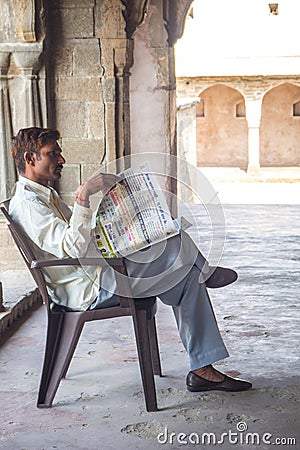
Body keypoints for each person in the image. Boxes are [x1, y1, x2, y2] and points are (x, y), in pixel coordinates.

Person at [9, 127, 252, 392]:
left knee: (183, 269)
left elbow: (79, 240)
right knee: (173, 240)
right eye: (52, 153)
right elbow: (71, 248)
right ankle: (205, 278)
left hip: (97, 271)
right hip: (90, 288)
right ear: (30, 159)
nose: (61, 159)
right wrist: (83, 196)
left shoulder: (44, 195)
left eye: (60, 152)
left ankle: (202, 368)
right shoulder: (29, 205)